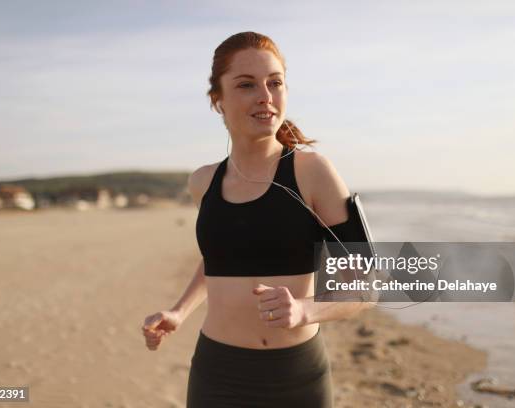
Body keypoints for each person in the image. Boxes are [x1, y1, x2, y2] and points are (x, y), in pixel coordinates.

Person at [142, 31, 372, 408]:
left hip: (295, 377)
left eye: (275, 83)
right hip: (216, 374)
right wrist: (179, 311)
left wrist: (305, 309)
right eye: (247, 84)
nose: (265, 95)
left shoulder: (312, 172)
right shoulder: (203, 181)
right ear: (218, 100)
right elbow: (220, 258)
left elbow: (367, 284)